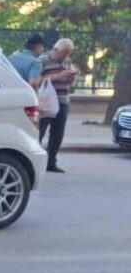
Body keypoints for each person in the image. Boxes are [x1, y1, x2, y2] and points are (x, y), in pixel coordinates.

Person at [38, 39, 78, 173]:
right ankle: (36, 162)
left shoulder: (67, 61)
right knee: (40, 131)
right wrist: (57, 77)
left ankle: (51, 162)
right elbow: (36, 80)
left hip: (63, 100)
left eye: (68, 53)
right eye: (63, 53)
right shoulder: (42, 60)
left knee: (58, 133)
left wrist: (71, 78)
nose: (65, 56)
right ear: (55, 50)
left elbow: (69, 83)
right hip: (46, 101)